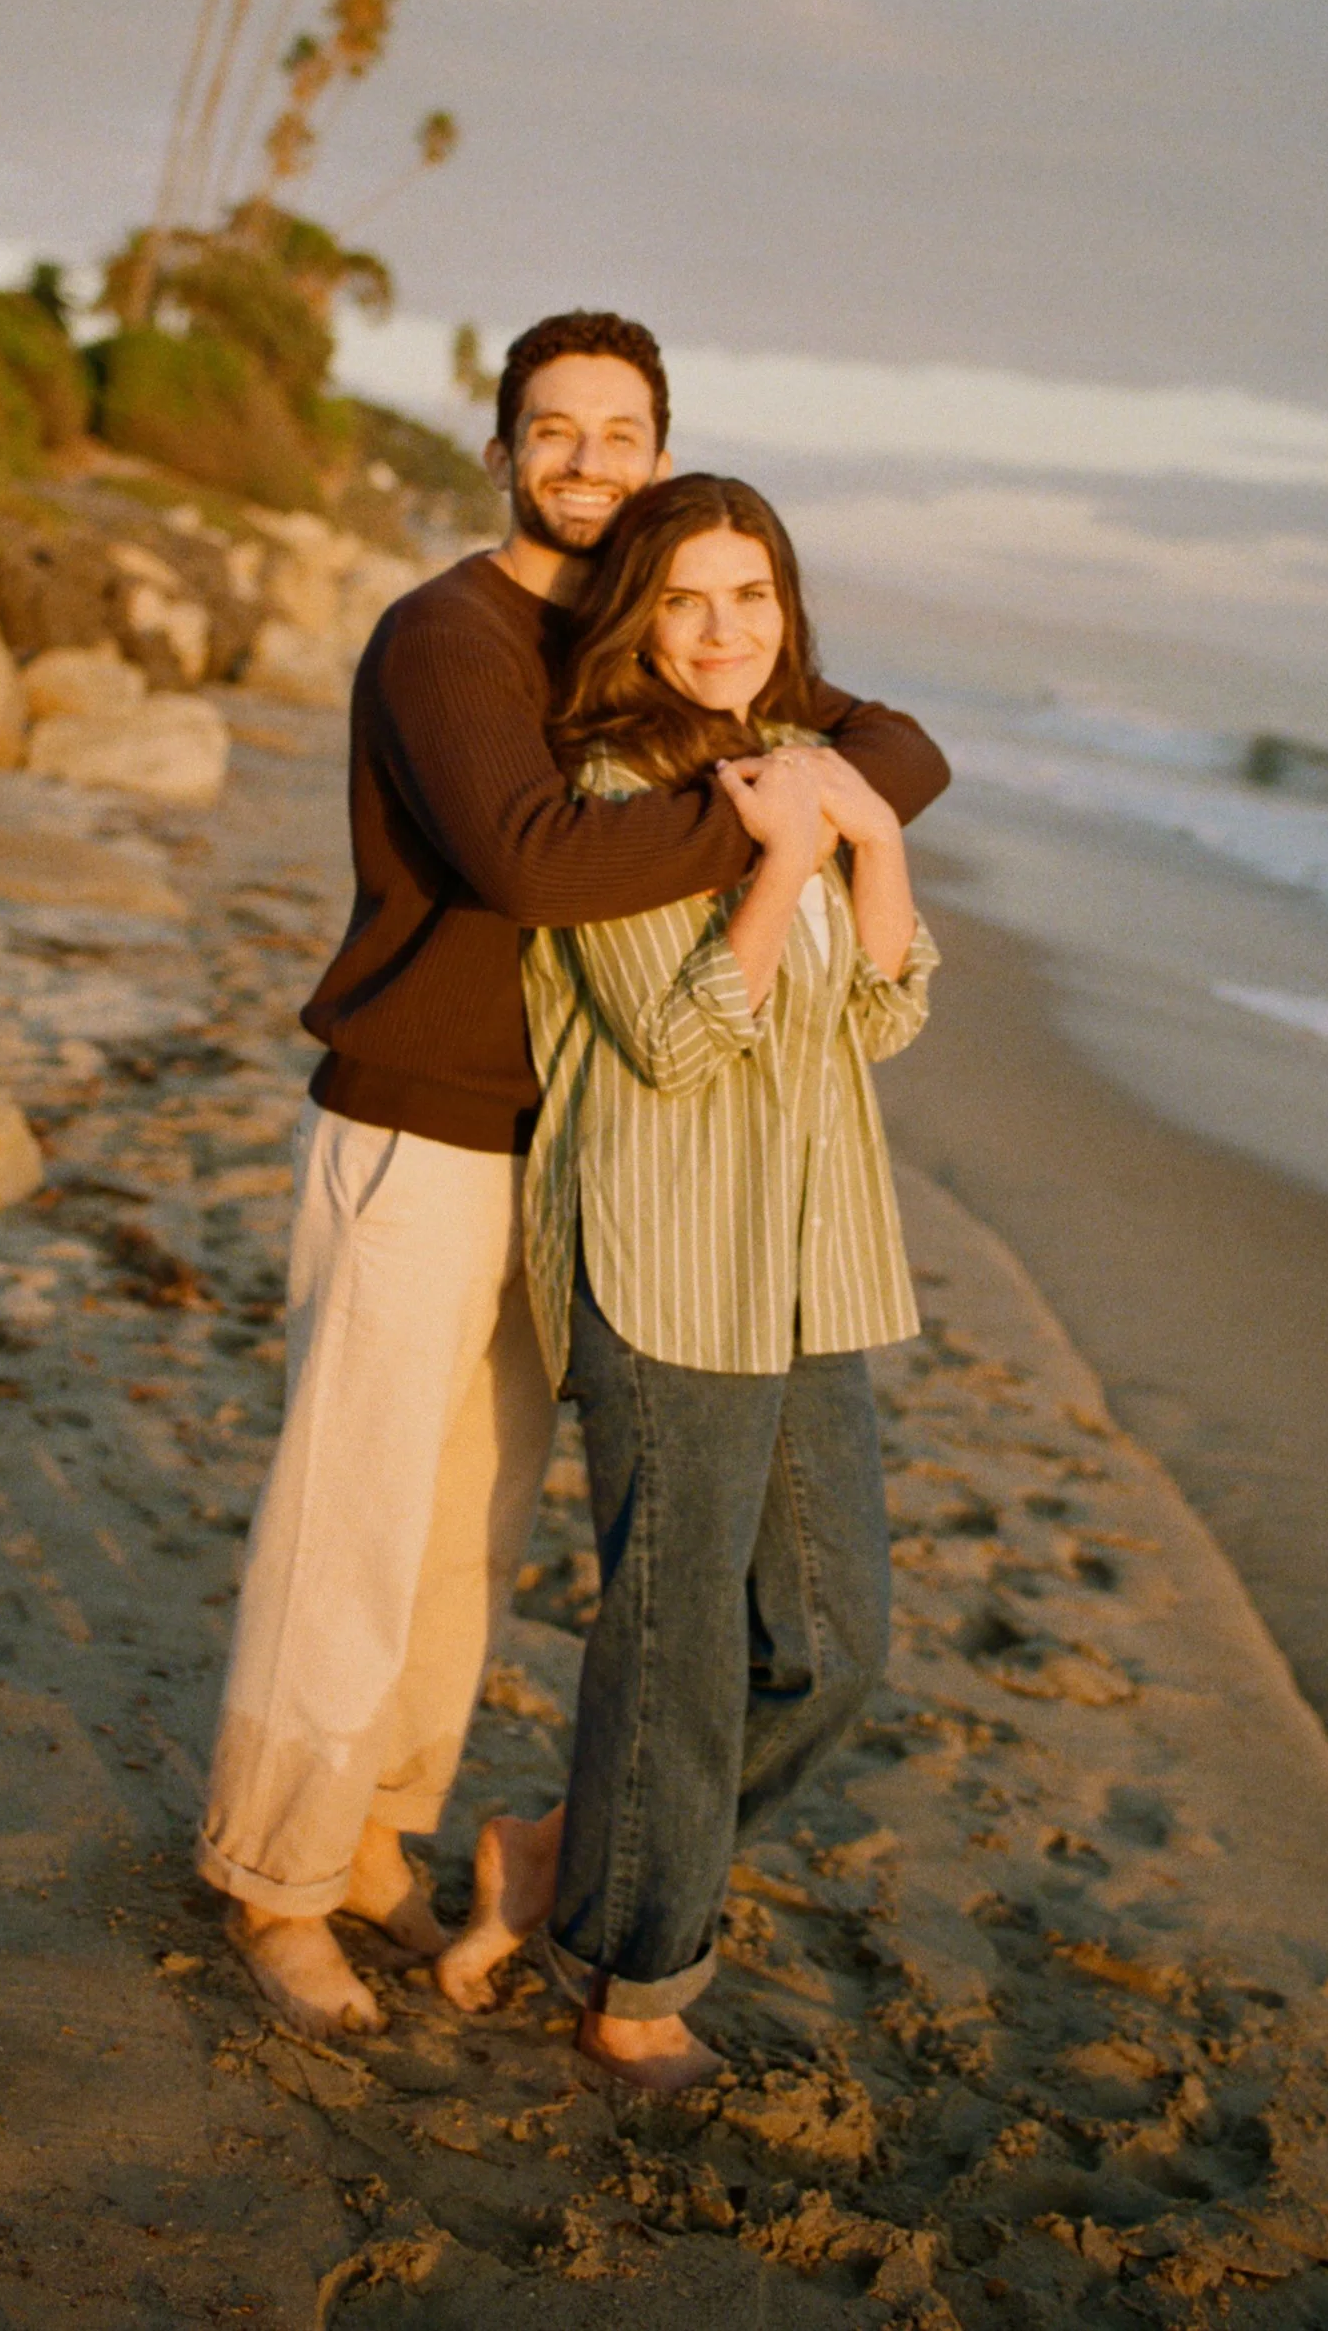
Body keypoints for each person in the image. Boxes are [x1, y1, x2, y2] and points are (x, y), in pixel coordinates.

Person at [197, 313, 949, 2039]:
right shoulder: (446, 636)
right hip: (420, 1121)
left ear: (662, 445)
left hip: (575, 1154)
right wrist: (770, 807)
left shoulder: (642, 624)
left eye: (623, 433)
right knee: (353, 1523)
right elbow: (536, 862)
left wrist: (829, 788)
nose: (590, 461)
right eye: (558, 430)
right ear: (505, 450)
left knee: (466, 1529)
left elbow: (900, 746)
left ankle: (379, 1830)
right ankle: (270, 1878)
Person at [447, 473, 933, 2090]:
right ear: (637, 617)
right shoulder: (608, 789)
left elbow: (880, 1019)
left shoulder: (794, 769)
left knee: (835, 1648)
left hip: (806, 1259)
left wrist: (865, 843)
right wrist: (777, 857)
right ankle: (631, 1986)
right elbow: (668, 1043)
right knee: (675, 1643)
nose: (726, 630)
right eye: (688, 600)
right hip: (664, 1257)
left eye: (755, 597)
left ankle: (556, 1853)